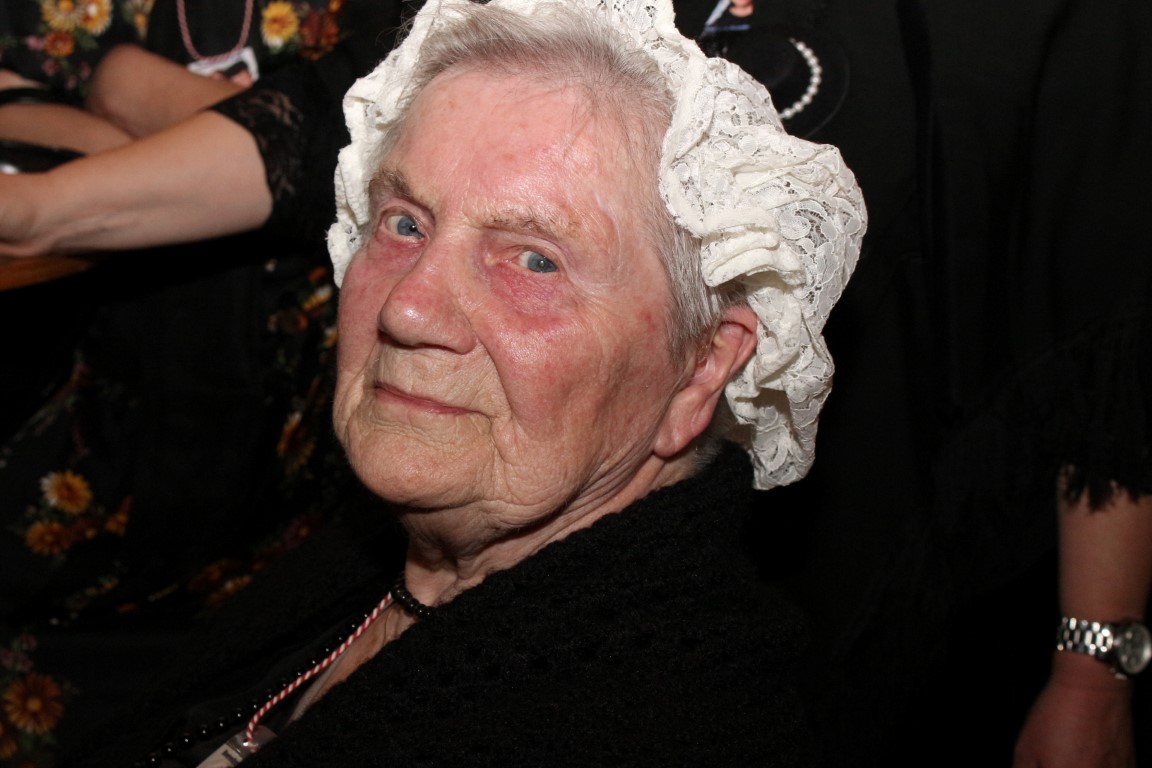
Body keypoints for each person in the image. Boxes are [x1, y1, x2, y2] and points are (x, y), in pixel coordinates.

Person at [32, 0, 866, 765]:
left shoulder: (663, 723)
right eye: (404, 223)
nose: (408, 307)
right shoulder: (381, 561)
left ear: (703, 368)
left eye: (533, 261)